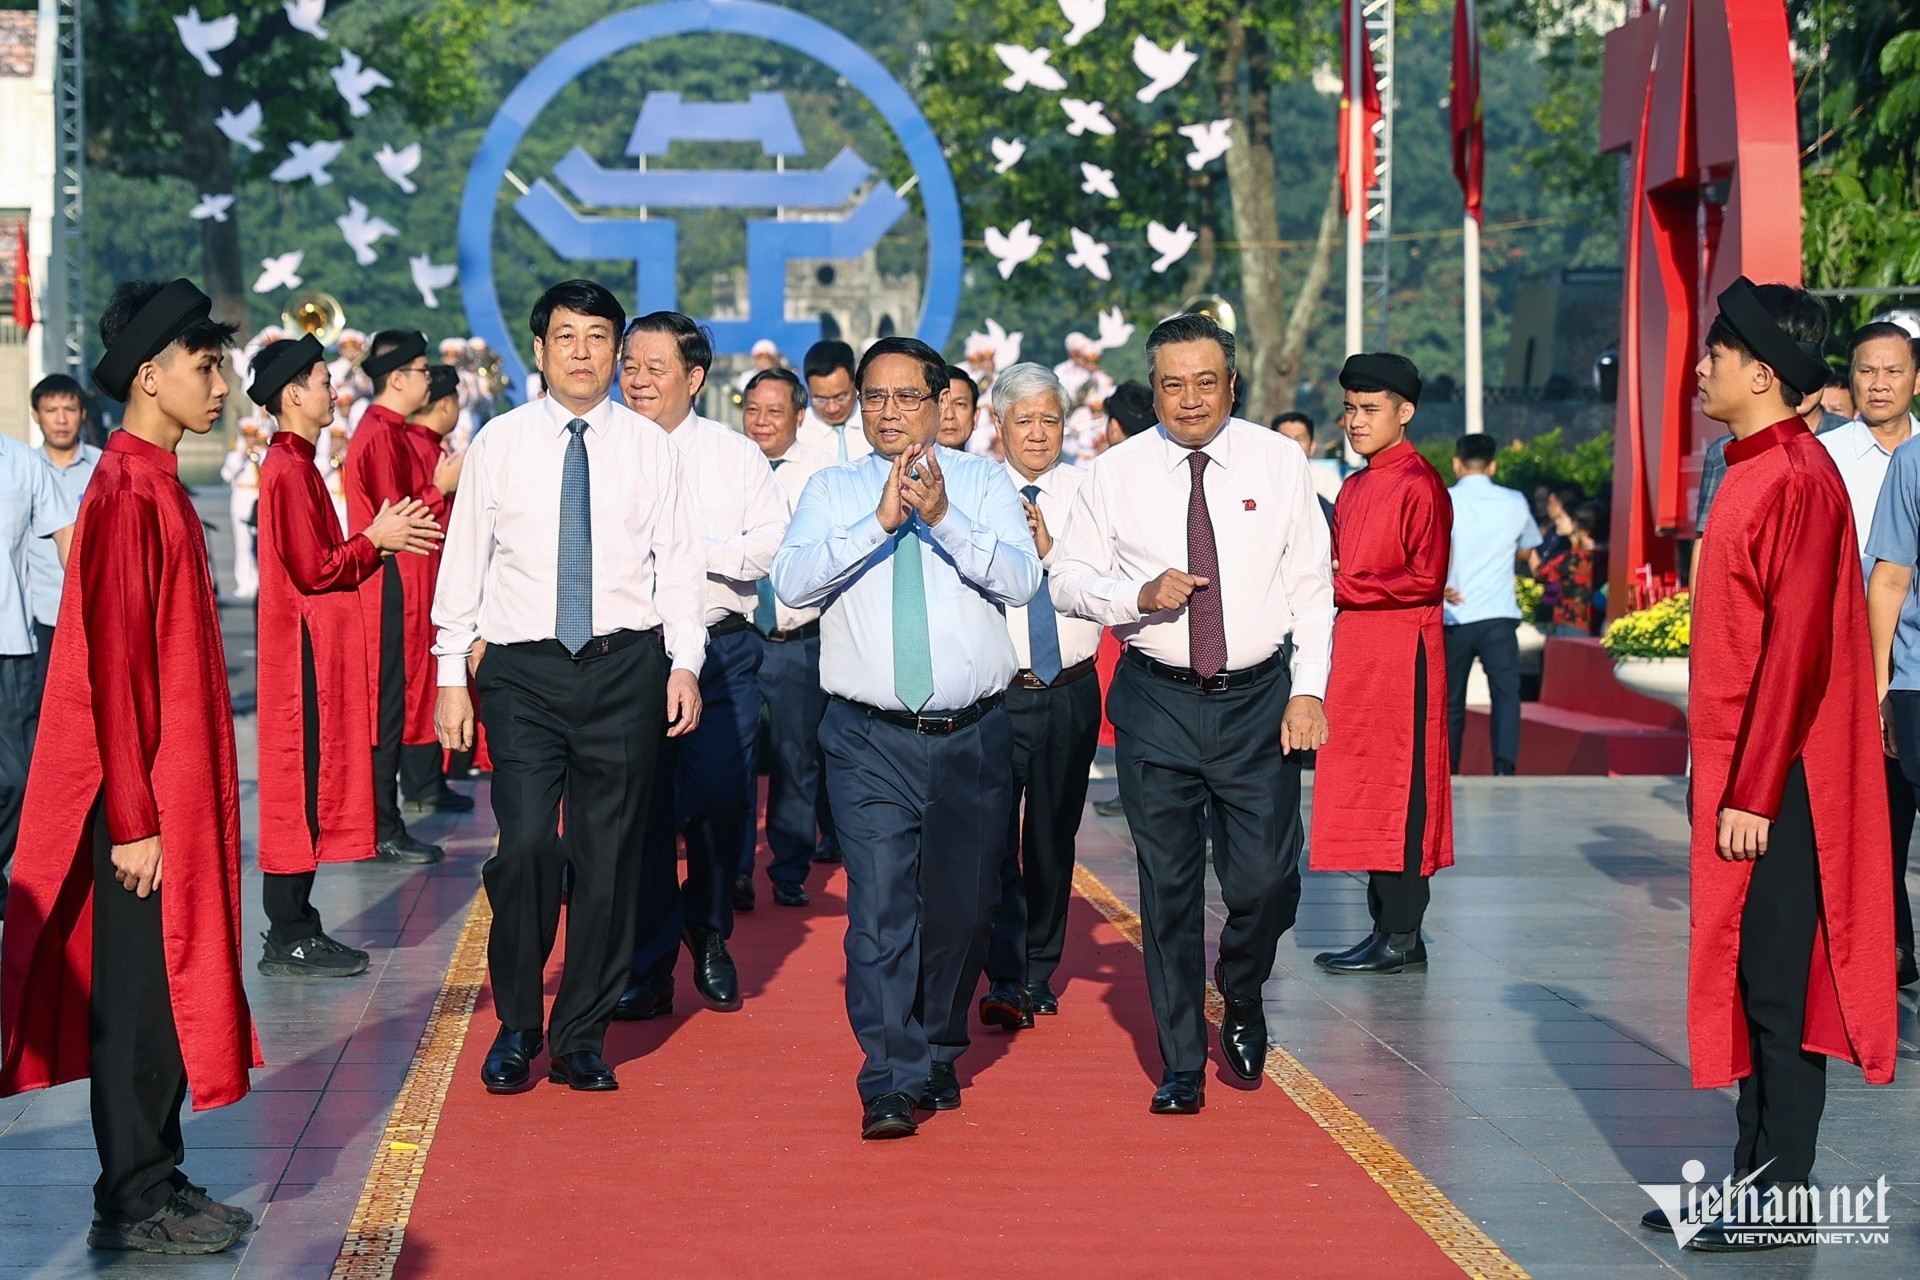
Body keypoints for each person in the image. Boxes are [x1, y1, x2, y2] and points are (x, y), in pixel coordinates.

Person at [1, 279, 260, 1254]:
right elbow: (112, 664)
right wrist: (134, 818)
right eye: (206, 365)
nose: (221, 385)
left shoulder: (153, 482)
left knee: (161, 992)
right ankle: (132, 1194)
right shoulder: (121, 492)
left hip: (172, 794)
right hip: (142, 804)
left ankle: (158, 1167)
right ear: (150, 375)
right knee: (140, 1002)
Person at [1649, 277, 1894, 1250]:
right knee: (1751, 972)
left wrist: (1752, 790)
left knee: (1783, 982)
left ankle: (1784, 1190)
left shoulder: (1794, 475)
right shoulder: (1752, 463)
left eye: (1716, 353)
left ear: (1763, 371)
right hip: (1746, 764)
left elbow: (1795, 646)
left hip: (1783, 774)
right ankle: (1752, 1172)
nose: (1701, 367)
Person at [1051, 313, 1333, 1114]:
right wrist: (1132, 596)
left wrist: (1309, 690)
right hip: (1158, 701)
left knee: (1268, 883)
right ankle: (1179, 1061)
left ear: (1232, 385)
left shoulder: (1279, 463)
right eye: (1172, 384)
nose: (1187, 399)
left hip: (1258, 705)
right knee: (1168, 887)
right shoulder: (1115, 473)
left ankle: (1240, 987)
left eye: (1204, 381)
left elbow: (1313, 586)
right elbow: (1068, 578)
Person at [433, 280, 707, 1095]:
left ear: (615, 351)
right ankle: (518, 1024)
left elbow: (679, 565)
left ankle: (580, 1033)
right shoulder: (499, 445)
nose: (582, 352)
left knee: (609, 859)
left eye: (597, 337)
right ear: (540, 349)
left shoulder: (652, 448)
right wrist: (451, 675)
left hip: (627, 667)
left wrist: (685, 661)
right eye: (565, 337)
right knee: (523, 850)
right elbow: (463, 565)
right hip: (522, 670)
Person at [771, 335, 1040, 1139]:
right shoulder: (833, 489)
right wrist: (880, 521)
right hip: (866, 737)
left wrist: (944, 521)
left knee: (964, 909)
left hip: (975, 734)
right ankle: (887, 1075)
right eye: (875, 397)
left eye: (907, 397)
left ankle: (936, 1044)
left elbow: (1023, 581)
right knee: (882, 910)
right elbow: (789, 584)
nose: (889, 412)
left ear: (939, 402)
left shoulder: (985, 483)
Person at [250, 336, 443, 979]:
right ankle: (289, 930)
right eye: (324, 381)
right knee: (299, 782)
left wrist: (374, 541)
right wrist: (374, 540)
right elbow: (313, 568)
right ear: (293, 394)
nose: (334, 392)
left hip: (311, 642)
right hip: (300, 646)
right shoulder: (285, 468)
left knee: (308, 780)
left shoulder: (298, 464)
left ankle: (298, 925)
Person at [616, 312, 785, 1019]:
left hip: (721, 651)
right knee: (643, 813)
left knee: (720, 800)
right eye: (631, 365)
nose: (638, 380)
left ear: (693, 377)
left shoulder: (733, 455)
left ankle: (707, 927)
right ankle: (649, 964)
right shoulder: (604, 449)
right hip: (631, 656)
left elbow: (767, 547)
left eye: (656, 368)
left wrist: (686, 549)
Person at [1310, 355, 1454, 975]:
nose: (1356, 421)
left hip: (1404, 656)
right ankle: (1384, 928)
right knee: (1367, 787)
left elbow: (1427, 578)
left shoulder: (1420, 483)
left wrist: (1345, 585)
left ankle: (1401, 932)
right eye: (1350, 409)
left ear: (1405, 413)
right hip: (1361, 655)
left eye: (1370, 410)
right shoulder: (1355, 484)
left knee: (1405, 788)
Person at [974, 364, 1104, 1030]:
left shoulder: (1091, 492)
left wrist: (1051, 549)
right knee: (993, 839)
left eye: (1049, 419)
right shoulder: (971, 494)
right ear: (998, 426)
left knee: (1051, 836)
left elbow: (1109, 579)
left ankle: (1037, 970)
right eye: (1022, 419)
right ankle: (1002, 972)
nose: (1037, 432)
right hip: (996, 696)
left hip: (1069, 690)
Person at [346, 328, 465, 864]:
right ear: (397, 379)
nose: (427, 379)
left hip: (395, 578)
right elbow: (397, 519)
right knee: (385, 705)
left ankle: (387, 819)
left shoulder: (388, 431)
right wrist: (439, 489)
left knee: (395, 703)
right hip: (384, 579)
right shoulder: (377, 433)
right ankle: (381, 823)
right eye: (420, 370)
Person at [738, 367, 839, 907]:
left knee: (796, 758)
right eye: (753, 410)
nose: (761, 421)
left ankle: (789, 869)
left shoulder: (825, 476)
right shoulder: (725, 465)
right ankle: (732, 869)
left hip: (799, 640)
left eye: (775, 411)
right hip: (736, 636)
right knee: (730, 755)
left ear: (799, 416)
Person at [1855, 325, 1920, 984]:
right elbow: (1890, 578)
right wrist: (1880, 689)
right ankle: (1892, 950)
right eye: (1868, 370)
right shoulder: (1835, 455)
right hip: (1900, 675)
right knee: (1885, 832)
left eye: (1893, 371)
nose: (1880, 383)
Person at [0, 407, 77, 923]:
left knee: (19, 777)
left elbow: (67, 536)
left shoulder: (22, 462)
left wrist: (91, 611)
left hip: (12, 646)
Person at [1442, 433, 1542, 777]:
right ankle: (1503, 765)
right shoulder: (1514, 501)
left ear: (1457, 464)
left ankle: (1449, 767)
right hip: (1499, 613)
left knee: (1451, 699)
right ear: (1493, 465)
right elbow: (1528, 546)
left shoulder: (1446, 500)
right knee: (1505, 693)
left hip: (1455, 613)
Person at [26, 374, 98, 690]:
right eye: (50, 410)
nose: (60, 419)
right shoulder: (22, 469)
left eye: (69, 409)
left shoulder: (104, 467)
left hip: (94, 612)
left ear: (82, 413)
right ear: (36, 416)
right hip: (38, 613)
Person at [1535, 498, 1601, 636]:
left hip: (1570, 621)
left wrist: (1529, 545)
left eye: (1562, 518)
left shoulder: (1573, 557)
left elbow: (1542, 572)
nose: (1557, 521)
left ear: (1576, 522)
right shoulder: (1600, 552)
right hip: (1594, 621)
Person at [798, 339, 869, 462]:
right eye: (820, 399)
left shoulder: (878, 420)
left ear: (856, 382)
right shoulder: (798, 432)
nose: (832, 408)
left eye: (840, 398)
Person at [219, 420, 264, 601]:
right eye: (247, 436)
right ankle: (244, 581)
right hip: (242, 496)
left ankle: (259, 580)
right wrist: (241, 457)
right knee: (242, 542)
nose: (250, 440)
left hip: (257, 496)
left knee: (260, 542)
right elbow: (226, 474)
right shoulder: (236, 456)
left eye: (252, 436)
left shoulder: (264, 454)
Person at [1053, 332, 1114, 463]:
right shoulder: (1062, 371)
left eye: (1095, 361)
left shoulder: (1102, 378)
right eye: (1088, 360)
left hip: (1097, 425)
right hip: (1073, 422)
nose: (1092, 365)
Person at [1270, 410, 1339, 521]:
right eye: (1285, 438)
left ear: (1312, 446)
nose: (1292, 444)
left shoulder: (1327, 477)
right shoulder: (1264, 476)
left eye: (1299, 438)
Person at [936, 364, 979, 451]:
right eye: (941, 404)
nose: (949, 415)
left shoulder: (987, 465)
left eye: (960, 404)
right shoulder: (903, 464)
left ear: (975, 416)